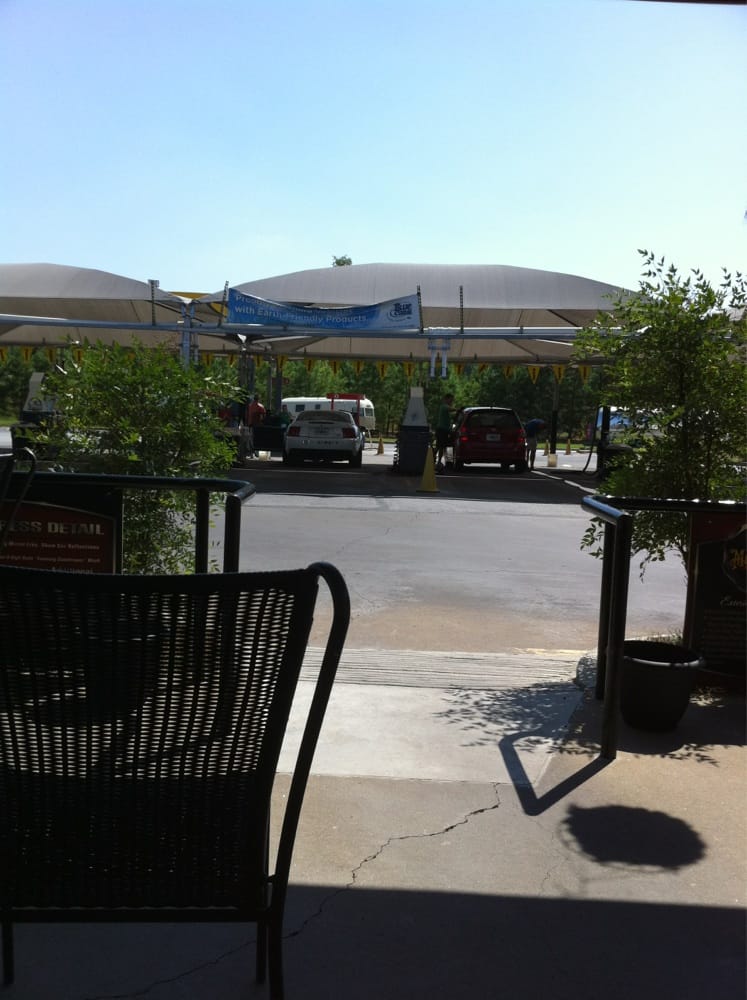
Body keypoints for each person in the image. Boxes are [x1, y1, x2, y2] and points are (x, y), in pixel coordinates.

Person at [434, 393, 454, 472]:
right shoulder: (444, 406)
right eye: (451, 400)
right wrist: (458, 409)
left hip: (444, 430)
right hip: (441, 430)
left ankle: (437, 461)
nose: (451, 402)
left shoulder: (445, 407)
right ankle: (435, 461)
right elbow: (450, 409)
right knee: (440, 446)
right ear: (446, 399)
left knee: (441, 446)